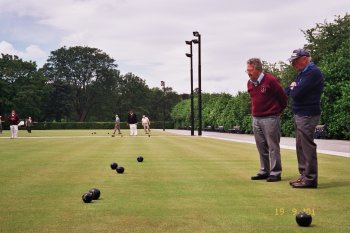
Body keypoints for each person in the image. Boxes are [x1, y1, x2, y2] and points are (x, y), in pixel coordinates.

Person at [285, 49, 324, 189]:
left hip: (308, 114)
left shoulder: (313, 72)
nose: (293, 64)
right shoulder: (302, 74)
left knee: (307, 146)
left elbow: (296, 93)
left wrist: (293, 88)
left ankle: (310, 179)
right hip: (300, 113)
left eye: (295, 61)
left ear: (304, 59)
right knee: (300, 146)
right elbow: (287, 90)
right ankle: (304, 176)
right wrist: (292, 87)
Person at [246, 58, 288, 182]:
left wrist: (276, 112)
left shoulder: (271, 80)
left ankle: (275, 173)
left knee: (273, 146)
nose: (248, 73)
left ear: (258, 69)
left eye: (250, 70)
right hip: (256, 118)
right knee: (261, 146)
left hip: (270, 117)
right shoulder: (249, 83)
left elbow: (283, 98)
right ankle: (265, 170)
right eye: (247, 70)